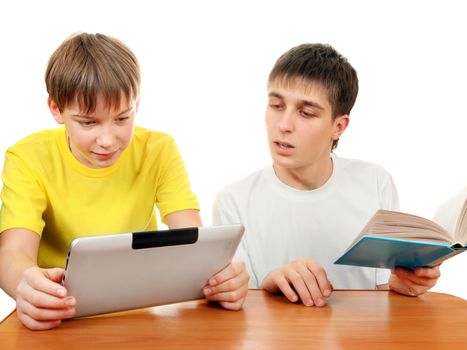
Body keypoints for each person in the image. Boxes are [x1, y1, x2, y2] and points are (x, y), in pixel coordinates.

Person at [0, 32, 248, 331]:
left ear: (136, 105)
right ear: (56, 110)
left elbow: (192, 238)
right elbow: (13, 252)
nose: (107, 141)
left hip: (140, 313)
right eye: (88, 122)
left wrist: (222, 276)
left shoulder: (159, 149)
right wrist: (25, 284)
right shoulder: (28, 156)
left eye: (122, 118)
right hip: (61, 315)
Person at [212, 43, 440, 307]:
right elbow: (236, 309)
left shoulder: (375, 183)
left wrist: (403, 285)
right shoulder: (234, 200)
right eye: (276, 105)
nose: (283, 125)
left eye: (306, 113)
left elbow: (380, 291)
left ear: (338, 126)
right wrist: (270, 283)